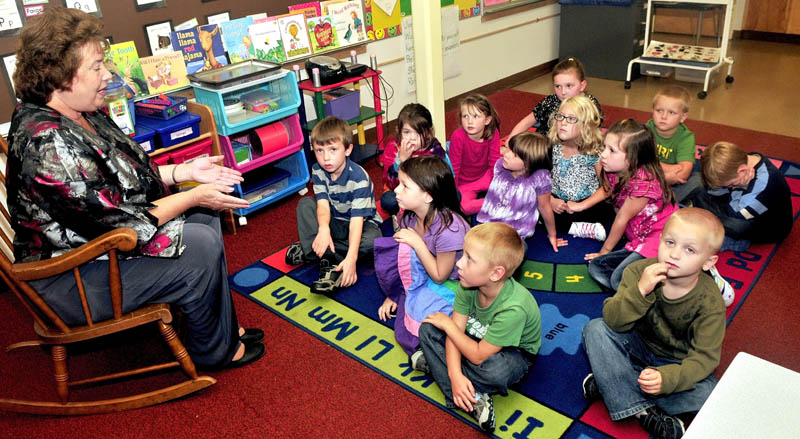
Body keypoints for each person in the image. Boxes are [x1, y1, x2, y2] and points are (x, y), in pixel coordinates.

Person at [6, 7, 264, 369]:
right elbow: (121, 226)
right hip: (68, 275)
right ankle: (214, 352)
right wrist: (191, 193)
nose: (107, 74)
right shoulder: (48, 143)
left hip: (95, 249)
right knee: (201, 243)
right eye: (96, 67)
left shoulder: (83, 110)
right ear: (60, 76)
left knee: (203, 219)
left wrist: (186, 171)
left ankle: (218, 332)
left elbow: (127, 173)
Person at [581, 207, 727, 439]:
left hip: (675, 362)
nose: (675, 254)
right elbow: (613, 321)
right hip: (636, 346)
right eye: (670, 242)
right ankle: (644, 412)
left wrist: (668, 379)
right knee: (595, 329)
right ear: (659, 240)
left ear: (708, 262)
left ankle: (612, 381)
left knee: (711, 394)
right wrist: (640, 291)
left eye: (689, 250)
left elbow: (705, 358)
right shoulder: (638, 271)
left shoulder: (710, 302)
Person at [414, 222, 541, 433]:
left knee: (495, 373)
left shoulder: (514, 308)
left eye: (469, 259)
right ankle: (473, 398)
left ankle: (436, 367)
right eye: (463, 255)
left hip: (512, 353)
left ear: (495, 273)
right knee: (428, 329)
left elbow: (479, 356)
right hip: (473, 340)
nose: (459, 264)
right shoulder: (468, 283)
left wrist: (450, 329)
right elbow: (457, 330)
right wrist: (454, 375)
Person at [376, 156, 470, 355]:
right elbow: (404, 259)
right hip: (427, 274)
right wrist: (394, 292)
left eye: (404, 186)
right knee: (406, 315)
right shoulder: (409, 216)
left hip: (455, 283)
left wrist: (417, 243)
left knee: (422, 316)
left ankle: (430, 351)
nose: (396, 190)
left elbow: (440, 275)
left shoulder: (449, 229)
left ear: (428, 196)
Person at [285, 116, 382, 295]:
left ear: (347, 149)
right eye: (319, 150)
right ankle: (327, 255)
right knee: (306, 204)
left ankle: (313, 252)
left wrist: (352, 259)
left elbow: (356, 221)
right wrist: (323, 229)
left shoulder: (359, 178)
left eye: (333, 149)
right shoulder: (317, 170)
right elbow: (322, 205)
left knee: (372, 242)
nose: (326, 158)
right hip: (333, 220)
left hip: (359, 224)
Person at [586, 119, 679, 292]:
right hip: (637, 236)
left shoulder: (644, 182)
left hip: (659, 237)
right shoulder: (613, 170)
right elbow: (615, 203)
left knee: (619, 279)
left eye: (612, 151)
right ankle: (645, 283)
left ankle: (673, 283)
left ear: (633, 159)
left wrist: (605, 250)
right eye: (604, 147)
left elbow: (622, 216)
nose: (603, 155)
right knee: (597, 267)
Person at [689, 141, 793, 252]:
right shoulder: (745, 160)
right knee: (700, 181)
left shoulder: (764, 185)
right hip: (735, 202)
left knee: (735, 226)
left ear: (742, 171)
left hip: (765, 227)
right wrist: (730, 187)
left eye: (731, 184)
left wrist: (737, 188)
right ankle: (702, 215)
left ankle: (735, 242)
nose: (731, 186)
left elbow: (735, 214)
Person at [476, 131, 566, 252]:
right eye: (509, 149)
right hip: (488, 225)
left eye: (515, 155)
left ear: (529, 164)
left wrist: (552, 235)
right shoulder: (500, 166)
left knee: (510, 252)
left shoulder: (540, 178)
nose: (507, 154)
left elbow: (545, 207)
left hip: (515, 233)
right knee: (474, 246)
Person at [547, 95, 613, 240]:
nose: (563, 123)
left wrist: (582, 205)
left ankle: (579, 226)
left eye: (571, 119)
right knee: (535, 204)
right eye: (560, 117)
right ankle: (578, 228)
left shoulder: (594, 152)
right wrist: (550, 199)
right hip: (558, 201)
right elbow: (540, 178)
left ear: (586, 125)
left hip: (587, 203)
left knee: (607, 211)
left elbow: (608, 187)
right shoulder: (553, 147)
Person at [508, 57, 603, 137]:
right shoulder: (550, 101)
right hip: (543, 146)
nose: (563, 92)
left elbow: (591, 138)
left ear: (582, 85)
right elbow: (526, 123)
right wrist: (509, 143)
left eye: (569, 86)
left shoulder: (590, 106)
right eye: (558, 86)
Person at [380, 103, 447, 217]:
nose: (412, 138)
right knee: (388, 200)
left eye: (418, 132)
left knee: (455, 195)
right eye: (407, 132)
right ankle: (404, 217)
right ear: (399, 131)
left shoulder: (433, 147)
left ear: (428, 133)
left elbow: (440, 179)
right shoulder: (393, 148)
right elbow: (391, 184)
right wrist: (401, 161)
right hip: (403, 193)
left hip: (427, 194)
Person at [448, 94, 502, 215]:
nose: (469, 121)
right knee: (463, 207)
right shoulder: (458, 136)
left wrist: (497, 187)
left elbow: (494, 161)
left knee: (510, 168)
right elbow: (454, 169)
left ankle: (500, 200)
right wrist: (453, 195)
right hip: (465, 183)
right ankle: (494, 203)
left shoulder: (493, 133)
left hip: (485, 176)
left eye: (475, 116)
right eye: (465, 116)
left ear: (487, 120)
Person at [646, 85, 701, 203]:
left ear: (683, 117)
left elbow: (683, 174)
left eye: (671, 112)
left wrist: (651, 165)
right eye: (659, 110)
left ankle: (658, 202)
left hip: (672, 182)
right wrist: (666, 175)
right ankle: (662, 202)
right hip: (654, 177)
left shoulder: (686, 137)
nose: (664, 116)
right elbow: (636, 161)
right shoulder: (646, 129)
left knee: (698, 180)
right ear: (652, 110)